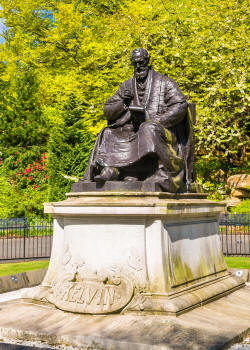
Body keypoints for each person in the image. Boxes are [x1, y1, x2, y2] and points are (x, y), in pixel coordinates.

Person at [83, 48, 195, 192]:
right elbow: (108, 110)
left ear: (147, 61)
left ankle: (159, 172)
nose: (138, 66)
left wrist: (157, 120)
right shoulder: (126, 85)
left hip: (162, 131)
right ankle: (114, 170)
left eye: (141, 62)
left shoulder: (165, 82)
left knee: (148, 128)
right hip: (132, 131)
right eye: (134, 63)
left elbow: (180, 105)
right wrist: (123, 101)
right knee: (108, 132)